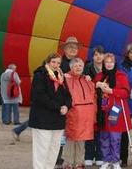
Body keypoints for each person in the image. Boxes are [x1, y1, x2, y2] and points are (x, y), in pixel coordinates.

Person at [29, 53, 72, 169]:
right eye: (53, 62)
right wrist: (58, 107)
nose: (56, 65)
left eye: (58, 63)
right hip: (42, 119)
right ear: (48, 62)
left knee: (54, 148)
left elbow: (68, 95)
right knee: (42, 149)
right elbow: (40, 96)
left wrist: (67, 106)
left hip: (57, 120)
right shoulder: (40, 75)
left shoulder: (60, 76)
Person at [94, 53, 132, 169]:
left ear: (115, 63)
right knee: (104, 137)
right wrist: (96, 84)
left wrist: (111, 91)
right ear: (104, 63)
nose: (109, 64)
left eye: (111, 62)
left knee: (115, 138)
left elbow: (126, 93)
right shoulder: (99, 76)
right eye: (107, 62)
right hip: (103, 111)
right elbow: (93, 90)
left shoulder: (121, 75)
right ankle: (106, 160)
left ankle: (115, 161)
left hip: (117, 111)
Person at [63, 58, 97, 169]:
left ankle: (79, 162)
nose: (78, 68)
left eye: (80, 66)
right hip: (73, 114)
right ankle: (68, 162)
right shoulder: (65, 79)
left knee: (81, 139)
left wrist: (94, 114)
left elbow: (94, 96)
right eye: (75, 66)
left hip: (86, 115)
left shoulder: (87, 80)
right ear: (71, 67)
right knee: (71, 139)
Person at [57, 36, 80, 168]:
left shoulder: (79, 63)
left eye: (75, 47)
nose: (73, 49)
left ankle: (68, 158)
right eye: (70, 47)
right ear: (65, 48)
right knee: (60, 131)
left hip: (75, 103)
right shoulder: (58, 63)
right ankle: (57, 156)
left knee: (71, 131)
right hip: (63, 102)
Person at [84, 46, 105, 166]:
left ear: (104, 56)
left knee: (101, 129)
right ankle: (88, 155)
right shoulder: (87, 68)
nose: (98, 57)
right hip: (91, 103)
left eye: (100, 54)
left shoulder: (108, 68)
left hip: (103, 103)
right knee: (90, 129)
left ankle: (99, 156)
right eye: (96, 54)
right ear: (93, 56)